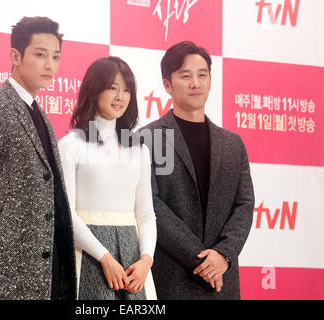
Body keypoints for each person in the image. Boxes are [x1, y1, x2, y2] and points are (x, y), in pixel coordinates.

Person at [0, 16, 76, 300]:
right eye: (40, 54)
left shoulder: (40, 114)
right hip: (7, 265)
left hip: (45, 262)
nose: (50, 64)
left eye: (55, 57)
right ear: (15, 56)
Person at [142, 41, 255, 299]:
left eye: (202, 74)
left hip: (223, 282)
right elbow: (151, 205)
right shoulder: (149, 138)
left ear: (210, 80)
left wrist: (224, 255)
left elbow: (245, 204)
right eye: (186, 75)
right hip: (172, 279)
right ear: (167, 85)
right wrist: (202, 261)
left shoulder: (232, 143)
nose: (196, 83)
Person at [58, 56, 157, 300]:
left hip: (134, 261)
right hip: (87, 255)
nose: (120, 96)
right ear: (94, 90)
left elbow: (145, 214)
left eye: (126, 90)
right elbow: (66, 214)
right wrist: (103, 256)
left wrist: (146, 260)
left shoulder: (139, 149)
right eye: (112, 88)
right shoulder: (71, 145)